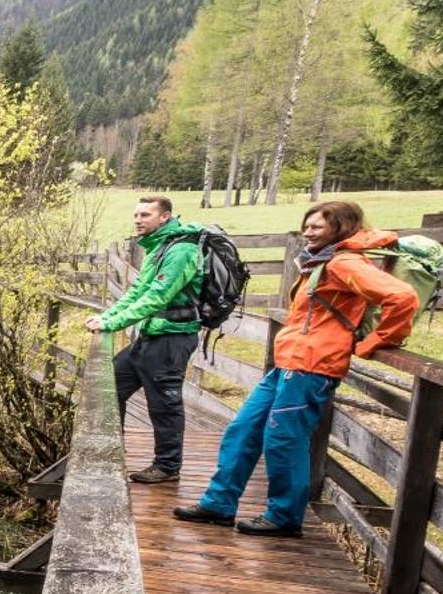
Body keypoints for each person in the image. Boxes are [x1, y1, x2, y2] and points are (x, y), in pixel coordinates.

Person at [174, 200, 418, 537]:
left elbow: (402, 297)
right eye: (307, 225)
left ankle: (284, 516)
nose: (308, 232)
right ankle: (219, 504)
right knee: (242, 429)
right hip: (289, 363)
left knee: (283, 439)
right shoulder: (320, 262)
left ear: (340, 228)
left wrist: (377, 340)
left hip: (313, 367)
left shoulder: (344, 263)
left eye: (317, 227)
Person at [85, 195, 202, 483]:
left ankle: (167, 467)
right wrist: (108, 317)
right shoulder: (158, 247)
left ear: (164, 217)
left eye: (145, 215)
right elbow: (137, 292)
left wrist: (113, 322)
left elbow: (157, 296)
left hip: (172, 338)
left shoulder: (181, 250)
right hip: (152, 335)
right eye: (136, 215)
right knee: (109, 384)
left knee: (164, 403)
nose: (138, 220)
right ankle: (110, 454)